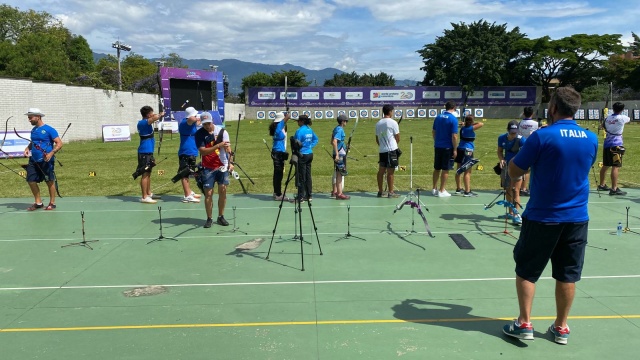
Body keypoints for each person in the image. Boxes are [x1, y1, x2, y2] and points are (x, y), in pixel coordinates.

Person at [503, 87, 598, 345]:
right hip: (577, 217)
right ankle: (561, 327)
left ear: (553, 108)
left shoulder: (542, 137)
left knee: (527, 270)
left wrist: (512, 161)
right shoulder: (591, 138)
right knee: (568, 273)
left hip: (543, 215)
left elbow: (515, 171)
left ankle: (524, 323)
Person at [195, 112, 232, 228]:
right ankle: (209, 218)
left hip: (222, 165)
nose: (207, 126)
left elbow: (228, 149)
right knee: (208, 193)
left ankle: (221, 216)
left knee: (223, 190)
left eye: (208, 123)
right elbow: (203, 151)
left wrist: (230, 163)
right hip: (207, 167)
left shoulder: (222, 132)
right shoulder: (199, 134)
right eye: (204, 124)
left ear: (212, 121)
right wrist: (217, 146)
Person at [23, 108, 63, 211]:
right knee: (31, 180)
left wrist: (51, 153)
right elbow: (34, 142)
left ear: (38, 117)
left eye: (30, 117)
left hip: (46, 160)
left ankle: (52, 203)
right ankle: (38, 202)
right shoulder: (34, 130)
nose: (29, 120)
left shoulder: (49, 129)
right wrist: (28, 148)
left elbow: (59, 143)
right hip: (33, 160)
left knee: (49, 181)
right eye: (28, 118)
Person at [598, 101, 630, 196]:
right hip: (617, 144)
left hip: (607, 144)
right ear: (622, 110)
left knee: (606, 165)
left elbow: (602, 126)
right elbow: (629, 119)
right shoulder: (622, 118)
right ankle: (614, 189)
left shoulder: (607, 118)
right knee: (616, 166)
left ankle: (602, 185)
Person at [497, 120, 526, 225]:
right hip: (506, 167)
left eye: (515, 131)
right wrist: (501, 159)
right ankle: (510, 212)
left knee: (515, 190)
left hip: (517, 168)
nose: (514, 134)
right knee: (508, 190)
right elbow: (500, 151)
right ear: (508, 130)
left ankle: (517, 214)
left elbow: (525, 155)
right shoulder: (502, 138)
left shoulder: (522, 140)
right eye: (512, 131)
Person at [135, 105, 164, 204]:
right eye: (151, 112)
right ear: (148, 115)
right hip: (144, 152)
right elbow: (155, 118)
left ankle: (148, 193)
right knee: (145, 174)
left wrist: (155, 115)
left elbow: (153, 118)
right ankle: (144, 197)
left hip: (148, 151)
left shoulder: (147, 121)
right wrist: (160, 114)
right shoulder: (142, 123)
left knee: (148, 173)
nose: (153, 114)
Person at [431, 101, 458, 197]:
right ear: (454, 107)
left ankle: (434, 188)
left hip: (438, 146)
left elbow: (433, 131)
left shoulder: (438, 117)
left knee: (437, 168)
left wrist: (437, 141)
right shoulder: (453, 119)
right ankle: (442, 190)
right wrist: (455, 149)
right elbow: (454, 136)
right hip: (447, 147)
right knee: (445, 169)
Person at [176, 106, 201, 203]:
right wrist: (197, 118)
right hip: (186, 151)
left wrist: (200, 121)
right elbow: (191, 119)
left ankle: (189, 192)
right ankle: (187, 195)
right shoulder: (185, 122)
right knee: (184, 173)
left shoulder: (190, 123)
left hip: (192, 150)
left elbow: (195, 122)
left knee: (189, 172)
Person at [454, 114, 483, 197]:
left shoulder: (463, 128)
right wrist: (473, 122)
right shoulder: (470, 128)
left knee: (459, 169)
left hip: (460, 149)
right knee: (467, 171)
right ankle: (467, 191)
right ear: (472, 122)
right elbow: (481, 124)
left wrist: (465, 123)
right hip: (468, 150)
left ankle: (458, 188)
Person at [375, 104, 401, 198]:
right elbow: (398, 138)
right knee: (390, 172)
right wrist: (394, 145)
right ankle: (391, 192)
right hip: (391, 150)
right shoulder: (393, 123)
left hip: (382, 150)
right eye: (392, 111)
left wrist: (383, 146)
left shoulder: (378, 123)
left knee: (381, 171)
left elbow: (377, 139)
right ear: (390, 112)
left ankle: (380, 191)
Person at [292, 114, 318, 202]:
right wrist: (310, 146)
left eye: (298, 121)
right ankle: (309, 195)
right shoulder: (309, 129)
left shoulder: (299, 131)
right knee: (308, 175)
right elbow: (315, 139)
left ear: (302, 122)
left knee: (301, 176)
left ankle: (301, 197)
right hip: (310, 154)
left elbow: (296, 143)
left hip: (302, 154)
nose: (297, 122)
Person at [269, 111, 290, 201]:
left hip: (279, 152)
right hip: (278, 153)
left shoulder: (278, 127)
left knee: (278, 174)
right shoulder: (278, 127)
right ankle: (278, 194)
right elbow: (287, 118)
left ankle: (276, 192)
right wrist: (287, 115)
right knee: (278, 174)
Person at [517, 106, 539, 196]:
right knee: (528, 170)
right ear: (532, 114)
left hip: (521, 145)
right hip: (532, 146)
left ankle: (519, 187)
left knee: (522, 167)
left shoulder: (520, 123)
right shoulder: (536, 123)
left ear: (523, 113)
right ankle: (524, 189)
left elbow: (518, 134)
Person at [332, 114, 350, 200]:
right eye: (346, 121)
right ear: (343, 122)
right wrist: (337, 154)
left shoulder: (336, 128)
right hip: (339, 154)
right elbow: (334, 142)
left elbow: (331, 141)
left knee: (338, 173)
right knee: (340, 173)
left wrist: (344, 146)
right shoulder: (340, 130)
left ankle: (336, 191)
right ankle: (339, 194)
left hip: (339, 152)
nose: (346, 122)